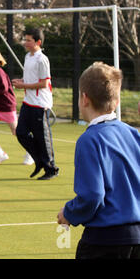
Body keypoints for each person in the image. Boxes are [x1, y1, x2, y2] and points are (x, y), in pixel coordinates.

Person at [57, 62, 140, 259]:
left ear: (84, 98)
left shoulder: (89, 139)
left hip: (105, 241)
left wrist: (69, 213)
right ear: (117, 101)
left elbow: (92, 195)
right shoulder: (132, 133)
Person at [12, 28, 59, 180]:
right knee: (20, 132)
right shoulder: (28, 56)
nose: (25, 43)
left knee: (42, 137)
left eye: (29, 40)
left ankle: (51, 168)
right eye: (25, 39)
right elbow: (32, 79)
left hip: (40, 104)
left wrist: (23, 86)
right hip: (28, 102)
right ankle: (39, 161)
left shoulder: (42, 59)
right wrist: (22, 81)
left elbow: (44, 83)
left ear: (38, 42)